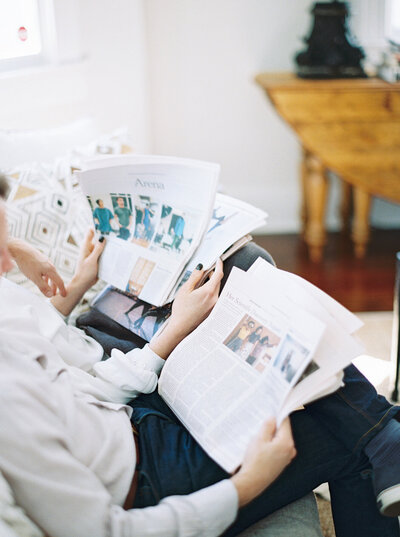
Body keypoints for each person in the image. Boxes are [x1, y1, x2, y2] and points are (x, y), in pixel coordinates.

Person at [1, 174, 400, 537]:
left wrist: (34, 257)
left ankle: (387, 437)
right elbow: (107, 530)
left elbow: (71, 381)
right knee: (354, 437)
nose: (7, 265)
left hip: (132, 417)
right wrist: (243, 488)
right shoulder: (9, 403)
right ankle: (386, 436)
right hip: (148, 467)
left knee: (244, 266)